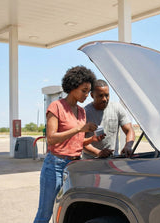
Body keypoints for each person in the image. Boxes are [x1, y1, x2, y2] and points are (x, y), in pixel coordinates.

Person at [34, 65, 100, 223]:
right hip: (55, 165)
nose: (87, 95)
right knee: (45, 213)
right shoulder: (56, 107)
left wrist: (92, 140)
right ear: (72, 86)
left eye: (88, 91)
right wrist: (79, 128)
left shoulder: (82, 111)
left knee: (69, 212)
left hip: (75, 166)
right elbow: (51, 138)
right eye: (84, 90)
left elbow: (76, 142)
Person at [82, 79, 135, 159]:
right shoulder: (84, 113)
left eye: (107, 95)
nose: (104, 99)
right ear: (92, 95)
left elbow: (129, 130)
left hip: (112, 160)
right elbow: (80, 141)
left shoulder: (117, 108)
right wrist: (98, 153)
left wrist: (128, 145)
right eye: (100, 96)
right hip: (91, 164)